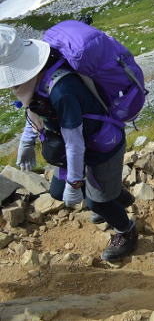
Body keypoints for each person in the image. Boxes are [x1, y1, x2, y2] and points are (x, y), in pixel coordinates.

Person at [1, 25, 137, 261]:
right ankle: (114, 194)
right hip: (76, 147)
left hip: (101, 146)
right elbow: (35, 108)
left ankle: (126, 231)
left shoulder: (62, 91)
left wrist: (74, 183)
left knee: (96, 203)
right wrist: (27, 140)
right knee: (56, 191)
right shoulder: (38, 77)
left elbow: (75, 143)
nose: (11, 86)